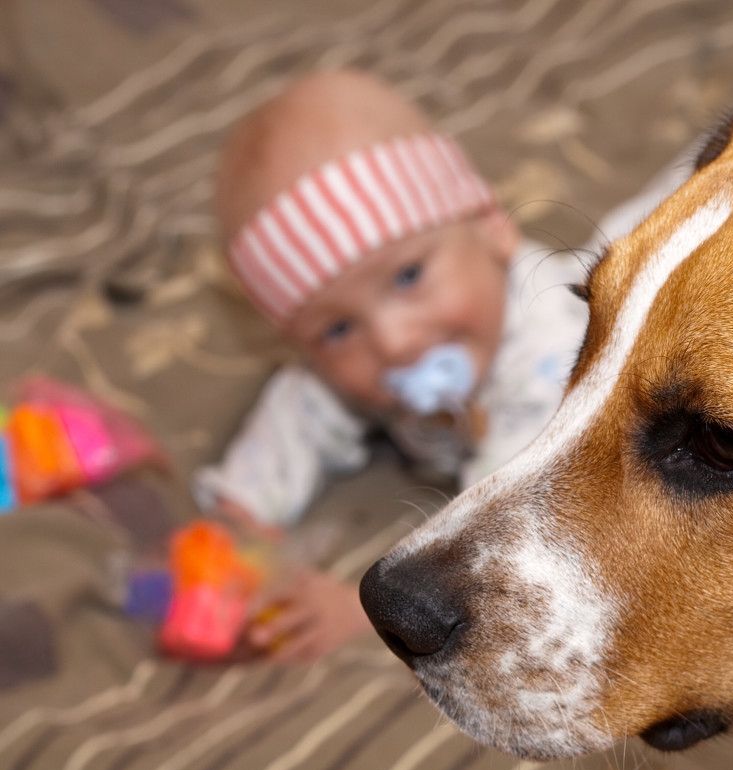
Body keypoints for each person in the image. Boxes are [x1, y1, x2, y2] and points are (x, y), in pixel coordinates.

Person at [195, 70, 595, 661]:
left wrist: (359, 615)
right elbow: (297, 412)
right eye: (337, 329)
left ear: (491, 226)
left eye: (408, 276)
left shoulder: (556, 349)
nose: (394, 342)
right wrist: (241, 519)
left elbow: (505, 531)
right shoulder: (346, 374)